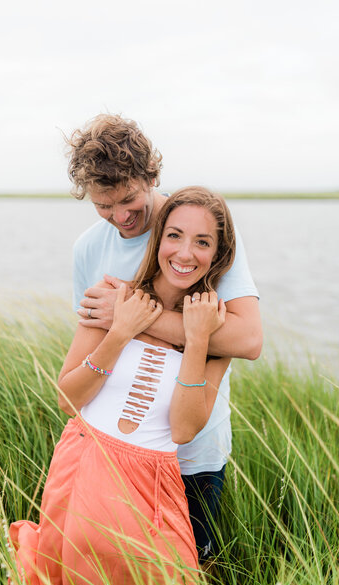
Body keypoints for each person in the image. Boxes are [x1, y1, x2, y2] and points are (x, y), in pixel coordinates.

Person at [10, 187, 236, 585]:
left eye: (202, 242)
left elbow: (184, 430)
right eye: (174, 235)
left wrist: (198, 337)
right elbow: (67, 400)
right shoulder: (114, 296)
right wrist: (120, 331)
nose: (185, 253)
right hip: (86, 460)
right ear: (158, 239)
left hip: (156, 481)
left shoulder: (213, 327)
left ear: (218, 255)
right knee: (71, 580)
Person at [69, 114, 262, 560]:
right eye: (103, 205)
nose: (121, 217)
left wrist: (133, 313)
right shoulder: (88, 248)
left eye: (131, 199)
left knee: (194, 565)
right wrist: (122, 324)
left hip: (192, 447)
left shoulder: (196, 228)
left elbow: (248, 339)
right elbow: (88, 347)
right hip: (110, 448)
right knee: (111, 566)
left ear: (152, 176)